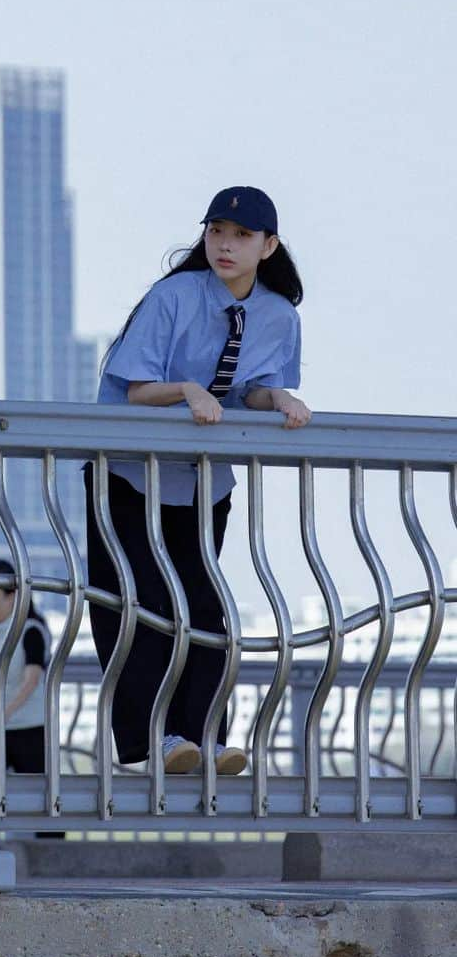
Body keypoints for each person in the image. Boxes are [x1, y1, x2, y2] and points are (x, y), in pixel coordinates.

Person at [85, 186, 310, 776]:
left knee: (207, 610)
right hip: (129, 475)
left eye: (240, 236)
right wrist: (188, 390)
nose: (225, 246)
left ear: (269, 245)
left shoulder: (279, 315)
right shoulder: (173, 297)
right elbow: (135, 390)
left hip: (203, 482)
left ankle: (203, 737)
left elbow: (254, 388)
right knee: (140, 604)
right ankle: (142, 745)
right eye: (216, 232)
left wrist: (279, 397)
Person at [0, 556, 52, 779]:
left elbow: (31, 680)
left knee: (32, 795)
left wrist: (3, 715)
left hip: (28, 728)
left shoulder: (31, 630)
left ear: (12, 596)